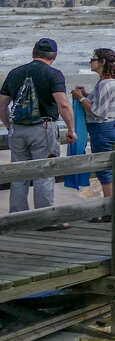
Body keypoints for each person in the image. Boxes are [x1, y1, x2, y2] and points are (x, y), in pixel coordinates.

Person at [0, 38, 76, 228]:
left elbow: (1, 105)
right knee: (44, 172)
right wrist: (72, 130)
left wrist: (9, 125)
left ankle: (17, 219)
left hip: (18, 129)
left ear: (33, 53)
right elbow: (63, 104)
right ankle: (44, 220)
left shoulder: (15, 73)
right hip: (42, 128)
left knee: (19, 174)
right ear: (54, 56)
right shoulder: (53, 75)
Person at [71, 48, 115, 221]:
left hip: (103, 129)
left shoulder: (106, 83)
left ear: (102, 62)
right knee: (106, 169)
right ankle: (111, 208)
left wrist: (80, 98)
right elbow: (98, 103)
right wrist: (85, 94)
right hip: (106, 128)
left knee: (104, 170)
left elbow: (98, 112)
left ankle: (110, 212)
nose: (90, 62)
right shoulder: (105, 82)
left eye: (93, 59)